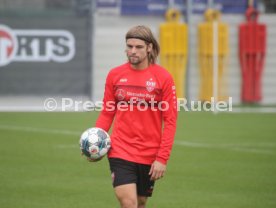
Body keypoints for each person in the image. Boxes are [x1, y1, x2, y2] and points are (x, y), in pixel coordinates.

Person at [94, 25, 177, 208]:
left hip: (149, 153)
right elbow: (107, 112)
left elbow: (170, 121)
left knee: (140, 202)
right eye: (129, 46)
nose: (132, 51)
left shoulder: (163, 78)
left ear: (149, 48)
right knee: (129, 202)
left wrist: (162, 158)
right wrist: (96, 142)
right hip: (120, 149)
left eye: (138, 47)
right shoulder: (115, 75)